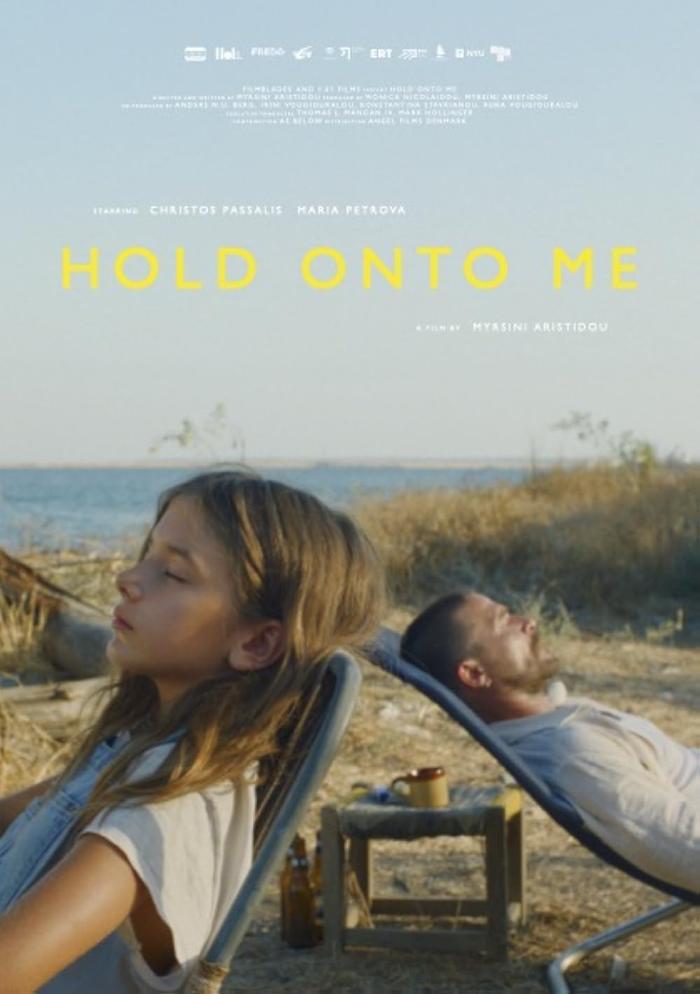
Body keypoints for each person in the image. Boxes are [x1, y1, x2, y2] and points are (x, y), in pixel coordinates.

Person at [0, 469, 385, 993]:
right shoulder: (134, 751)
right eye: (147, 555)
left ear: (255, 643)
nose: (127, 579)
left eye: (173, 573)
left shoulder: (165, 804)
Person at [401, 589, 700, 894]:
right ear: (475, 674)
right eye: (504, 621)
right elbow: (684, 843)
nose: (529, 622)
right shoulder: (573, 754)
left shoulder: (559, 713)